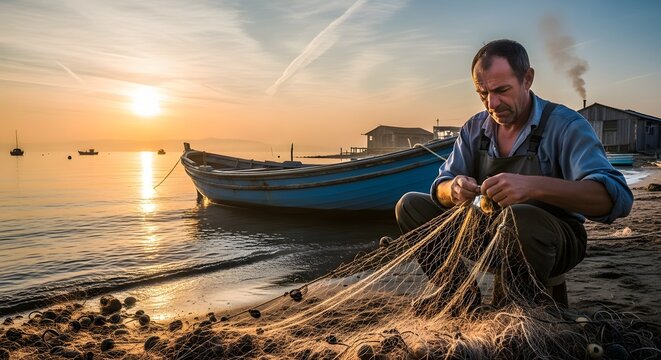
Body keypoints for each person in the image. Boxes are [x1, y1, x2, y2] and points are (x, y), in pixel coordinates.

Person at [396, 39, 633, 312]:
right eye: (482, 93)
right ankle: (458, 294)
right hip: (490, 235)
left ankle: (518, 308)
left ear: (527, 79)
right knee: (410, 206)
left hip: (553, 242)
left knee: (519, 217)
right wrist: (454, 189)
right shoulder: (475, 128)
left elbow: (616, 199)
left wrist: (532, 187)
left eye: (501, 90)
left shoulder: (566, 125)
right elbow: (439, 187)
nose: (491, 104)